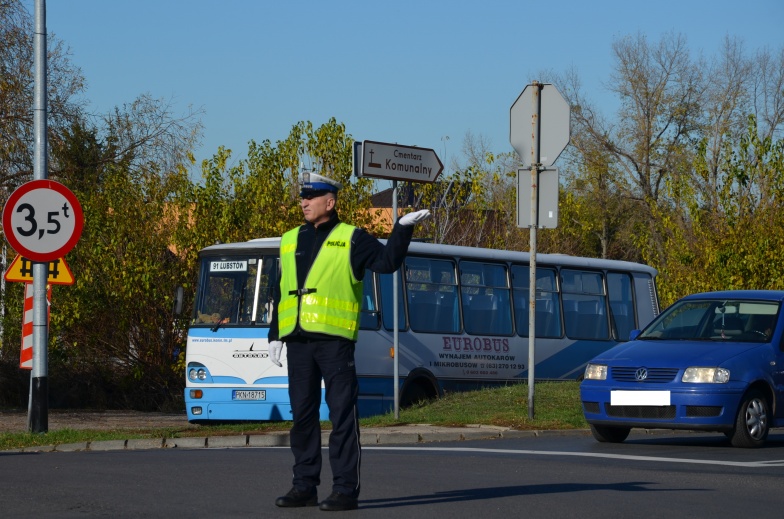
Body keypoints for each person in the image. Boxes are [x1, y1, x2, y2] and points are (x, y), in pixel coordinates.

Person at [268, 171, 430, 511]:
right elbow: (281, 291)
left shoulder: (352, 238)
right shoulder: (288, 240)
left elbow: (387, 263)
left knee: (342, 416)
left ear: (330, 201)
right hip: (297, 342)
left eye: (310, 198)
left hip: (334, 343)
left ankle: (344, 490)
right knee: (303, 416)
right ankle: (304, 486)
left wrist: (401, 228)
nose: (304, 203)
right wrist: (274, 334)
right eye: (302, 197)